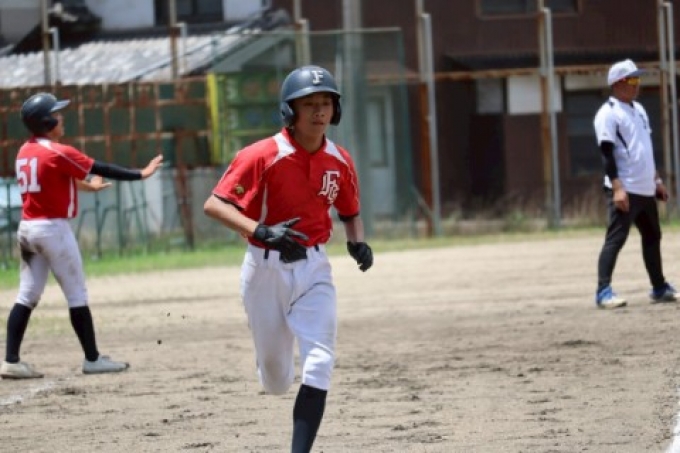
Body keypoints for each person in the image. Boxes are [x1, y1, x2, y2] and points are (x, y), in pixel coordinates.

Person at [204, 65, 373, 452]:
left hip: (315, 268)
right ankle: (270, 367)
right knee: (277, 380)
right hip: (265, 270)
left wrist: (357, 243)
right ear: (289, 110)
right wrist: (261, 231)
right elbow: (214, 205)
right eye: (309, 103)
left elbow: (350, 212)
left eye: (326, 102)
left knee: (319, 364)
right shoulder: (262, 154)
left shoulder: (339, 159)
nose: (319, 111)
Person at [0, 92, 163, 379]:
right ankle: (92, 359)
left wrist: (89, 187)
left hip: (28, 230)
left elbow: (57, 178)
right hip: (53, 230)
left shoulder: (26, 151)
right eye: (57, 114)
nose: (62, 118)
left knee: (27, 294)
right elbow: (102, 168)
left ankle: (11, 360)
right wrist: (142, 173)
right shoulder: (58, 151)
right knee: (76, 294)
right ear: (48, 121)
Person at [592, 59, 676, 309]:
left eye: (638, 79)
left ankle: (659, 287)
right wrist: (617, 187)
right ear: (617, 83)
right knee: (616, 238)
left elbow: (644, 149)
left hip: (645, 188)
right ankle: (603, 291)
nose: (637, 84)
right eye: (632, 79)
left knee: (652, 236)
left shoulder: (638, 109)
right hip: (625, 188)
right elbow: (606, 153)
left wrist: (656, 181)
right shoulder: (608, 112)